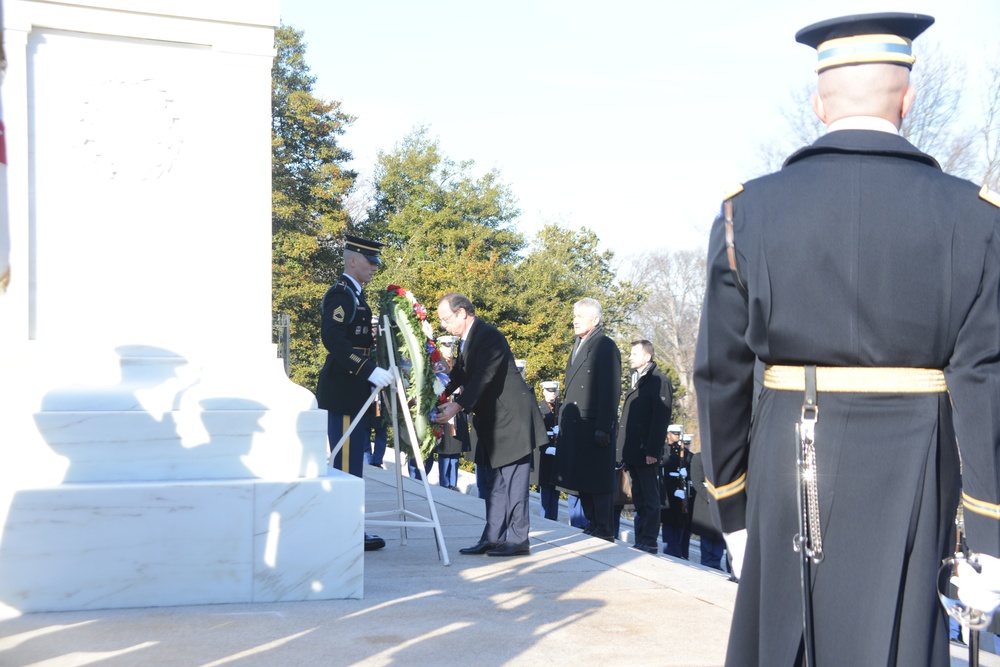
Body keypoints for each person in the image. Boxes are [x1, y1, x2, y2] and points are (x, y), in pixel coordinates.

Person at [694, 12, 1000, 666]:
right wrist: (989, 532)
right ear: (907, 99)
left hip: (788, 462)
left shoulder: (743, 215)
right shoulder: (975, 219)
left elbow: (719, 376)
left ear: (817, 103)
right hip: (916, 466)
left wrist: (732, 506)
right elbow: (984, 380)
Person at [434, 293, 549, 557]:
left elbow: (482, 377)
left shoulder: (488, 335)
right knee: (493, 483)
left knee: (514, 483)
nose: (443, 325)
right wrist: (436, 394)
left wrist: (456, 405)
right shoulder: (467, 340)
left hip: (512, 421)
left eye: (446, 319)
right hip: (492, 421)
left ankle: (519, 539)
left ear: (462, 313)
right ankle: (494, 537)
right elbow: (460, 375)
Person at [316, 234, 394, 552]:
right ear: (353, 261)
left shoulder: (357, 297)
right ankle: (346, 532)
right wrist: (367, 370)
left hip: (354, 391)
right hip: (345, 389)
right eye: (370, 261)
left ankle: (349, 527)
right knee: (346, 466)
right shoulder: (342, 295)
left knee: (353, 466)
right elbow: (334, 340)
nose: (375, 267)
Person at [553, 298, 622, 541]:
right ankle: (594, 522)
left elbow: (610, 389)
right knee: (582, 476)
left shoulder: (605, 345)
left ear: (595, 320)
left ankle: (604, 526)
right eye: (574, 315)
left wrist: (604, 426)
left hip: (593, 424)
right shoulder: (579, 344)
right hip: (576, 424)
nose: (575, 320)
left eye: (580, 316)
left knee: (597, 478)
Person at [617, 340, 672, 554]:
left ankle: (649, 540)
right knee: (639, 497)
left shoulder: (659, 381)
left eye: (634, 353)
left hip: (645, 451)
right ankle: (641, 538)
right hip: (633, 451)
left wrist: (652, 451)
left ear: (647, 357)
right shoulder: (637, 380)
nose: (630, 357)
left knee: (650, 498)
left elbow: (660, 419)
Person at [435, 335, 469, 490]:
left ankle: (453, 482)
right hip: (443, 407)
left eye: (452, 346)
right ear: (441, 347)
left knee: (455, 449)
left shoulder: (458, 364)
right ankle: (444, 482)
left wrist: (461, 390)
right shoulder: (437, 364)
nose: (450, 349)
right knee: (444, 448)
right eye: (447, 346)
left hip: (457, 409)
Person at [689, 447, 726, 572]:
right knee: (707, 533)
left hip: (722, 499)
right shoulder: (699, 458)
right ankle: (707, 562)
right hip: (707, 502)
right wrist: (708, 496)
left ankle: (716, 561)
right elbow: (697, 481)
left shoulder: (723, 457)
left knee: (719, 533)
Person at [659, 425, 691, 558]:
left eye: (678, 434)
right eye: (674, 433)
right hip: (668, 491)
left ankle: (677, 553)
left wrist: (685, 473)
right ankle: (668, 552)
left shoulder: (682, 451)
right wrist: (672, 490)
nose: (677, 436)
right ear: (668, 434)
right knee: (668, 524)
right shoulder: (664, 449)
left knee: (679, 523)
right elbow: (663, 470)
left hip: (680, 492)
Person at [531, 380, 561, 520]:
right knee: (545, 487)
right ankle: (545, 517)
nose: (552, 394)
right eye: (549, 391)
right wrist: (545, 448)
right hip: (544, 452)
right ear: (543, 392)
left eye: (554, 391)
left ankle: (553, 517)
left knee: (555, 489)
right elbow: (536, 429)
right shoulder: (538, 407)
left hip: (557, 452)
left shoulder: (561, 408)